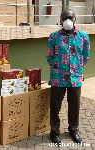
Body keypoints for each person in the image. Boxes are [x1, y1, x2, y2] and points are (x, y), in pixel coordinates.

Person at [46, 9, 90, 145]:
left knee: (74, 106)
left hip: (75, 78)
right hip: (58, 77)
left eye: (70, 18)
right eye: (65, 18)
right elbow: (49, 56)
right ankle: (54, 132)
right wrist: (59, 67)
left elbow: (85, 56)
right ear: (60, 20)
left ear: (75, 19)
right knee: (55, 106)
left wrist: (76, 68)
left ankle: (73, 130)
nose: (67, 20)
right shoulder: (54, 36)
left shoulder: (83, 36)